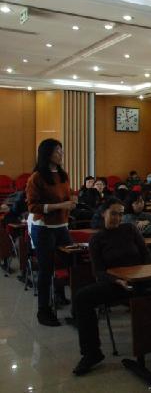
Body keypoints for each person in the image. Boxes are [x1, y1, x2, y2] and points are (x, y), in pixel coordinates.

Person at [72, 198, 151, 375]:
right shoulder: (97, 239)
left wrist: (143, 273)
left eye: (121, 214)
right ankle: (92, 353)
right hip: (116, 284)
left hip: (139, 280)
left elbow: (146, 255)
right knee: (82, 298)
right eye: (114, 214)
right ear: (103, 213)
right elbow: (98, 272)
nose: (118, 218)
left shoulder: (130, 229)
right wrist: (116, 280)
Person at [26, 138, 76, 326]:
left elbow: (67, 195)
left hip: (62, 226)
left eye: (61, 150)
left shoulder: (63, 175)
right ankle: (43, 311)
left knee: (73, 263)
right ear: (47, 153)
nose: (61, 154)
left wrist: (72, 200)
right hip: (44, 228)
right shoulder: (37, 177)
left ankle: (62, 296)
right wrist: (60, 206)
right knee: (46, 270)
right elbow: (33, 206)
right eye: (57, 151)